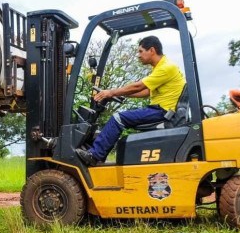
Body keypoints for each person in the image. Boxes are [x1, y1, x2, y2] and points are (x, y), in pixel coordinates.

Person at [76, 35, 186, 166]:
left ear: (151, 50)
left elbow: (138, 86)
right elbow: (146, 92)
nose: (138, 55)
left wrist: (110, 92)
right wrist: (122, 95)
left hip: (162, 112)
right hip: (161, 110)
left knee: (118, 118)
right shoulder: (161, 67)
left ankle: (94, 155)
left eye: (140, 51)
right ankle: (97, 154)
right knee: (120, 117)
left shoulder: (166, 67)